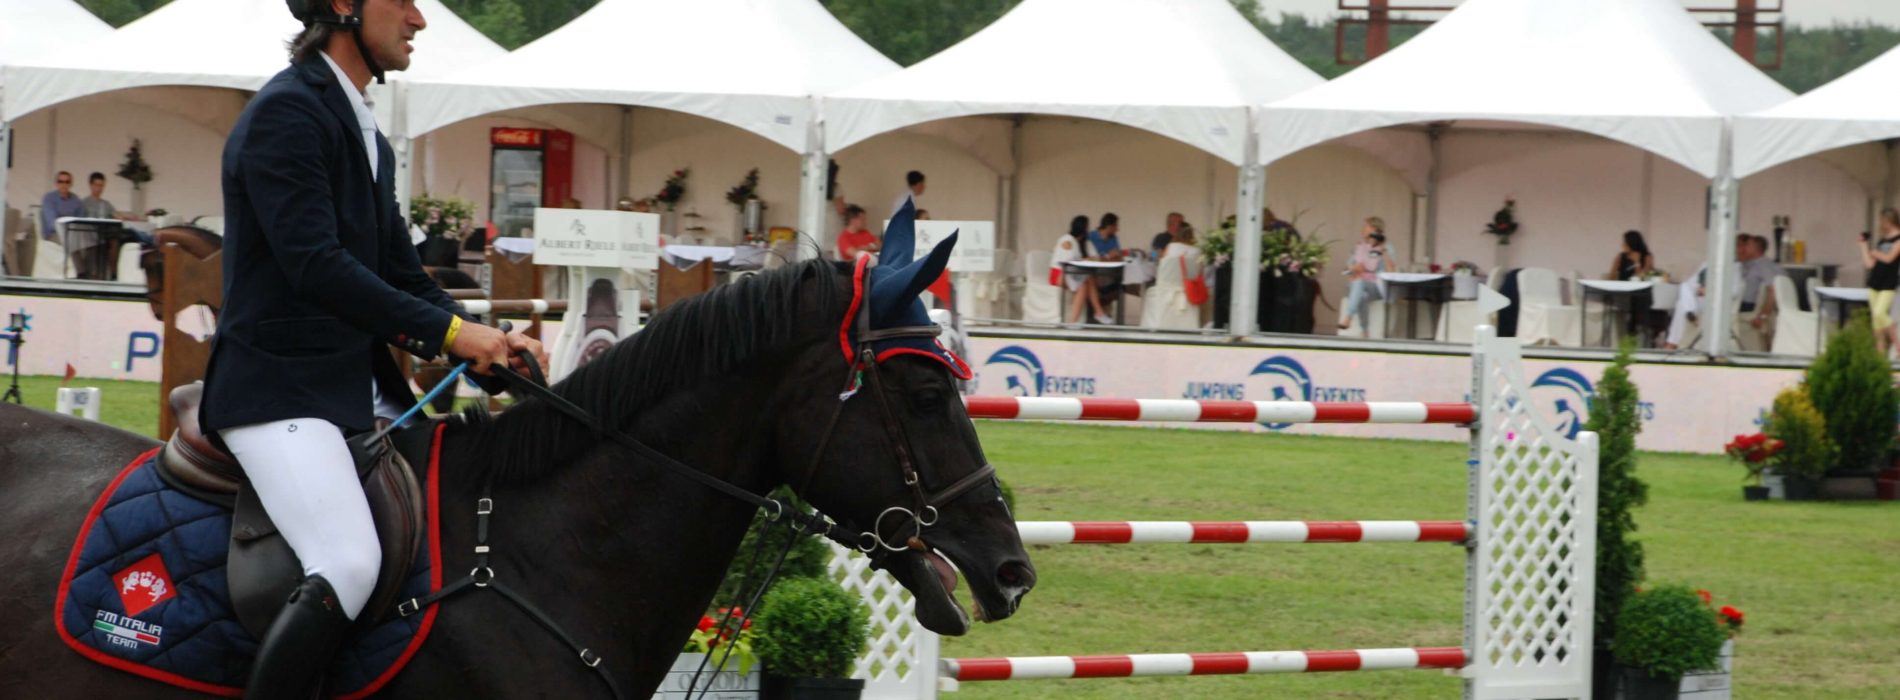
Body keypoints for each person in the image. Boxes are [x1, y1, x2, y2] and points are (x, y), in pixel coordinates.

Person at [203, 2, 545, 697]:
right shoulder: (285, 114)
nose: (420, 19)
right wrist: (454, 334)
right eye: (404, 1)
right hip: (277, 391)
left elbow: (400, 272)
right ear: (342, 6)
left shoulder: (362, 129)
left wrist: (483, 345)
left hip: (354, 389)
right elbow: (316, 266)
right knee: (350, 560)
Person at [1663, 234, 1777, 350]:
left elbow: (1736, 290)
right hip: (1704, 300)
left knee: (1682, 305)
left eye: (1746, 245)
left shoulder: (1741, 266)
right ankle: (1688, 313)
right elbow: (1691, 283)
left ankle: (1673, 342)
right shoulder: (1710, 264)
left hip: (1723, 304)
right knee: (1684, 290)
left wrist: (1762, 316)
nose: (1743, 249)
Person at [1052, 215, 1111, 325]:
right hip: (1059, 274)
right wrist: (1085, 258)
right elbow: (1066, 260)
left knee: (1089, 278)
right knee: (1084, 283)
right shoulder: (1067, 240)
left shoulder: (1083, 242)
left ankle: (1096, 314)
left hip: (1072, 274)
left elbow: (1095, 256)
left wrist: (1091, 258)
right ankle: (1087, 317)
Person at [1860, 208, 1900, 355]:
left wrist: (1876, 253)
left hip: (1888, 284)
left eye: (1882, 221)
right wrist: (1863, 246)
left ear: (1889, 220)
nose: (1881, 224)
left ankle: (1897, 344)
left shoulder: (1898, 240)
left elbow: (1889, 259)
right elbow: (1870, 264)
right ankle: (1880, 356)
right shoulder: (1882, 240)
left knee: (1880, 313)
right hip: (1875, 282)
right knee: (1877, 323)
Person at [1338, 217, 1388, 332]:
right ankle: (1365, 329)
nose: (1363, 229)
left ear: (1374, 229)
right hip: (1357, 283)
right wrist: (1352, 269)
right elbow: (1346, 268)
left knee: (1359, 282)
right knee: (1362, 295)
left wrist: (1361, 268)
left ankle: (1349, 316)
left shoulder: (1383, 248)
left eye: (1366, 226)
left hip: (1375, 286)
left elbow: (1375, 268)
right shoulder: (1359, 247)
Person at [38, 171, 84, 273]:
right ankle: (79, 273)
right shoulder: (49, 198)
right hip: (53, 234)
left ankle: (93, 275)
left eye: (67, 182)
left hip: (72, 233)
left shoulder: (76, 200)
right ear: (56, 183)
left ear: (71, 184)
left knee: (92, 243)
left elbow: (81, 221)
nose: (64, 184)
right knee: (71, 240)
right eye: (61, 181)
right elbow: (51, 224)